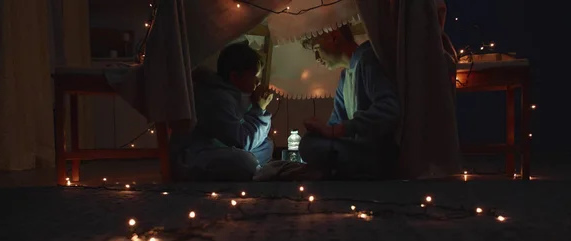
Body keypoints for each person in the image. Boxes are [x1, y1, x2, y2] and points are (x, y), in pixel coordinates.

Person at [299, 25, 401, 179]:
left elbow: (389, 110)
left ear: (334, 37)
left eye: (317, 48)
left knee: (310, 146)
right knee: (309, 141)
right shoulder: (345, 77)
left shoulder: (368, 58)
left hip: (376, 152)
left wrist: (338, 131)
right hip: (356, 149)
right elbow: (336, 122)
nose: (316, 57)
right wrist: (323, 130)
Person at [170, 42, 275, 181]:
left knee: (266, 144)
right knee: (245, 162)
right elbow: (242, 141)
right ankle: (250, 170)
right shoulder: (215, 97)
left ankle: (251, 170)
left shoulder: (234, 95)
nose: (257, 82)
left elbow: (241, 137)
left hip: (220, 148)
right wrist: (259, 109)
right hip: (195, 155)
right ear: (235, 77)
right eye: (254, 75)